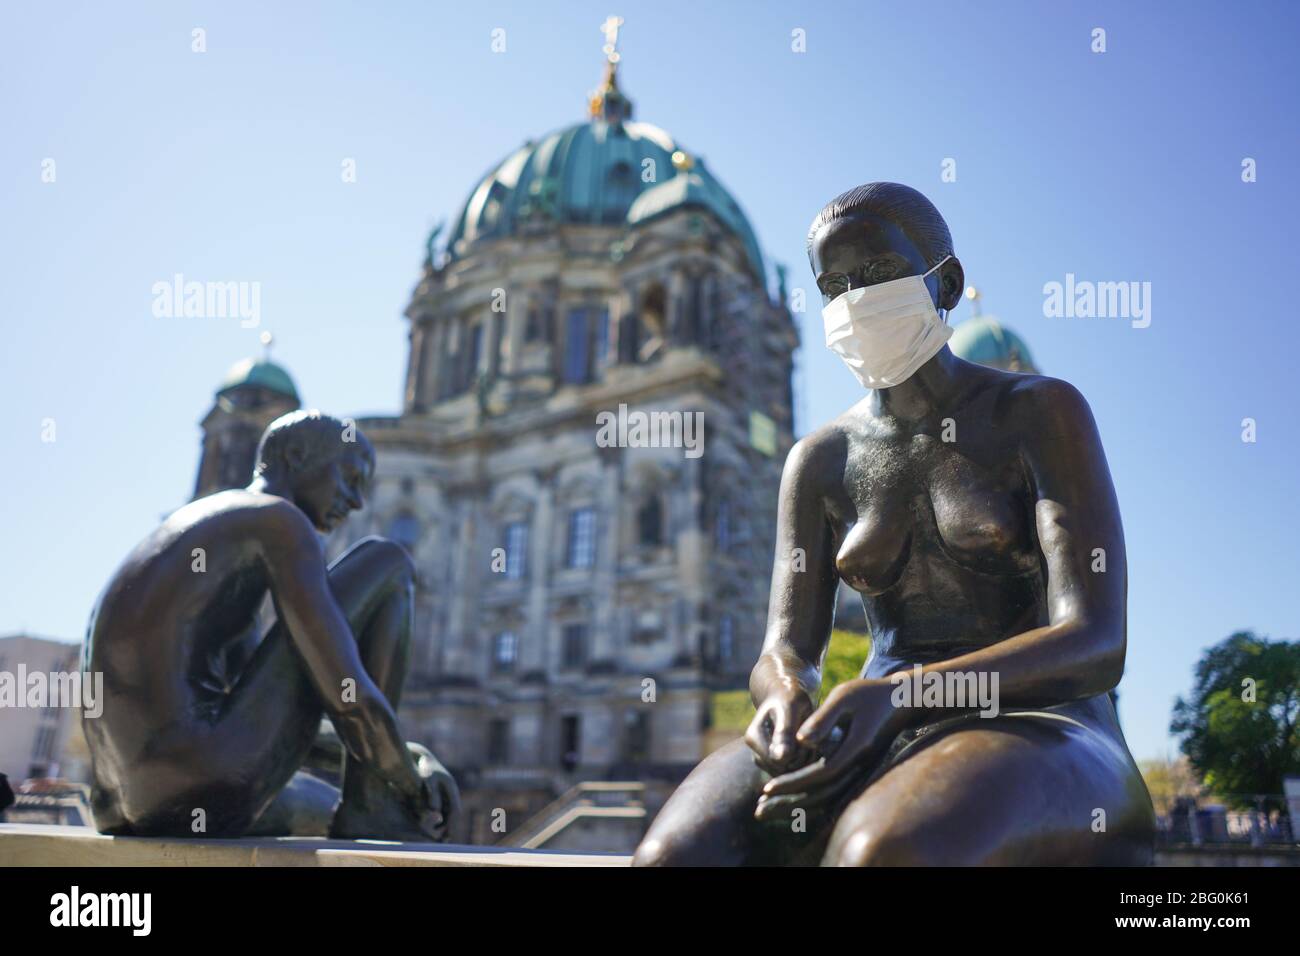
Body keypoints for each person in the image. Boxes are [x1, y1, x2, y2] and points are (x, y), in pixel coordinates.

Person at [634, 183, 1155, 866]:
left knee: (883, 852)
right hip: (868, 717)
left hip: (1045, 718)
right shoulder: (818, 459)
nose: (854, 301)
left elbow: (1095, 642)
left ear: (946, 282)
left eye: (877, 274)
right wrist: (784, 696)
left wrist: (906, 696)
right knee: (674, 854)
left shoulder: (1039, 412)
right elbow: (784, 648)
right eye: (834, 285)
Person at [83, 410, 456, 840]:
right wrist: (406, 782)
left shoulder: (208, 522)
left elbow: (269, 711)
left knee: (318, 807)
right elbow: (340, 688)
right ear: (296, 456)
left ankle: (359, 807)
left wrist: (407, 755)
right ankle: (372, 806)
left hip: (131, 803)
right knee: (387, 562)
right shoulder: (279, 521)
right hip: (199, 777)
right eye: (350, 478)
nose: (357, 502)